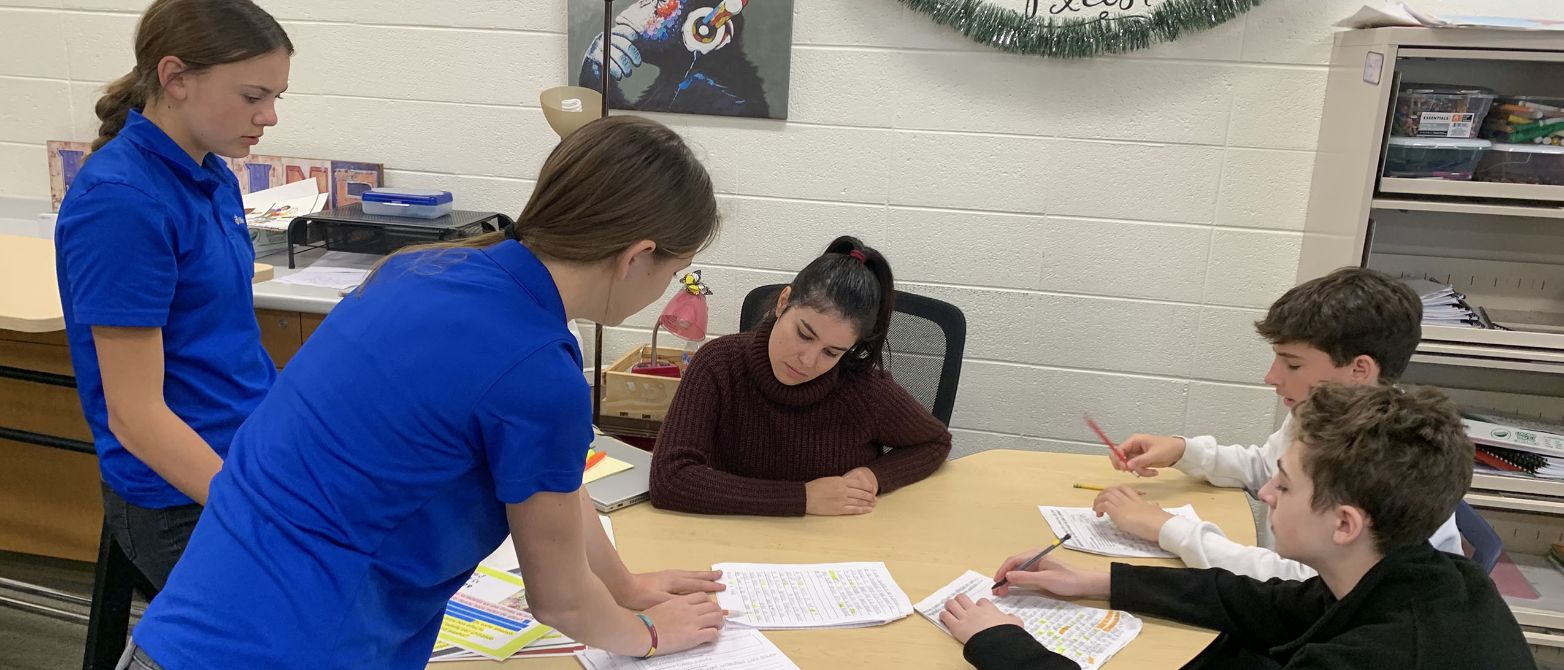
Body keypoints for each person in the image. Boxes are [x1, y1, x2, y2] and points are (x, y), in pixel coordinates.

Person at [120, 116, 728, 669]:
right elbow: (562, 601)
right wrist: (647, 633)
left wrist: (623, 588)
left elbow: (555, 489)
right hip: (299, 646)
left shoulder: (422, 269)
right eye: (671, 273)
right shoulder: (538, 370)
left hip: (179, 631)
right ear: (636, 256)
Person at [944, 383, 1535, 670]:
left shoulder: (1372, 658)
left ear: (1347, 523)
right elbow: (1272, 602)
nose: (1268, 494)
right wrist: (1095, 582)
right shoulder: (1427, 575)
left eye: (1285, 484)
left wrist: (1000, 642)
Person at [53, 0, 291, 589]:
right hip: (182, 500)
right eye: (253, 96)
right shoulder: (123, 202)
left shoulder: (208, 173)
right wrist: (253, 511)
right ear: (176, 78)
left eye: (276, 99)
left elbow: (224, 346)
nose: (269, 117)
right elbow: (135, 416)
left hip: (242, 461)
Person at [1091, 267, 1461, 580]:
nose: (1271, 377)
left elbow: (1298, 584)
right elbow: (1267, 468)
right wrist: (1184, 451)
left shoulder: (1383, 460)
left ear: (1358, 370)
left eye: (1293, 364)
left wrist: (1166, 528)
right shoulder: (1321, 417)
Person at [649, 237, 952, 516]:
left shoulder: (862, 387)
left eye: (832, 353)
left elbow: (935, 442)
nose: (808, 361)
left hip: (831, 551)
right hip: (733, 542)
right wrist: (802, 497)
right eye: (804, 335)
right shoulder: (718, 364)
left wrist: (874, 476)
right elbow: (670, 478)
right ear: (783, 302)